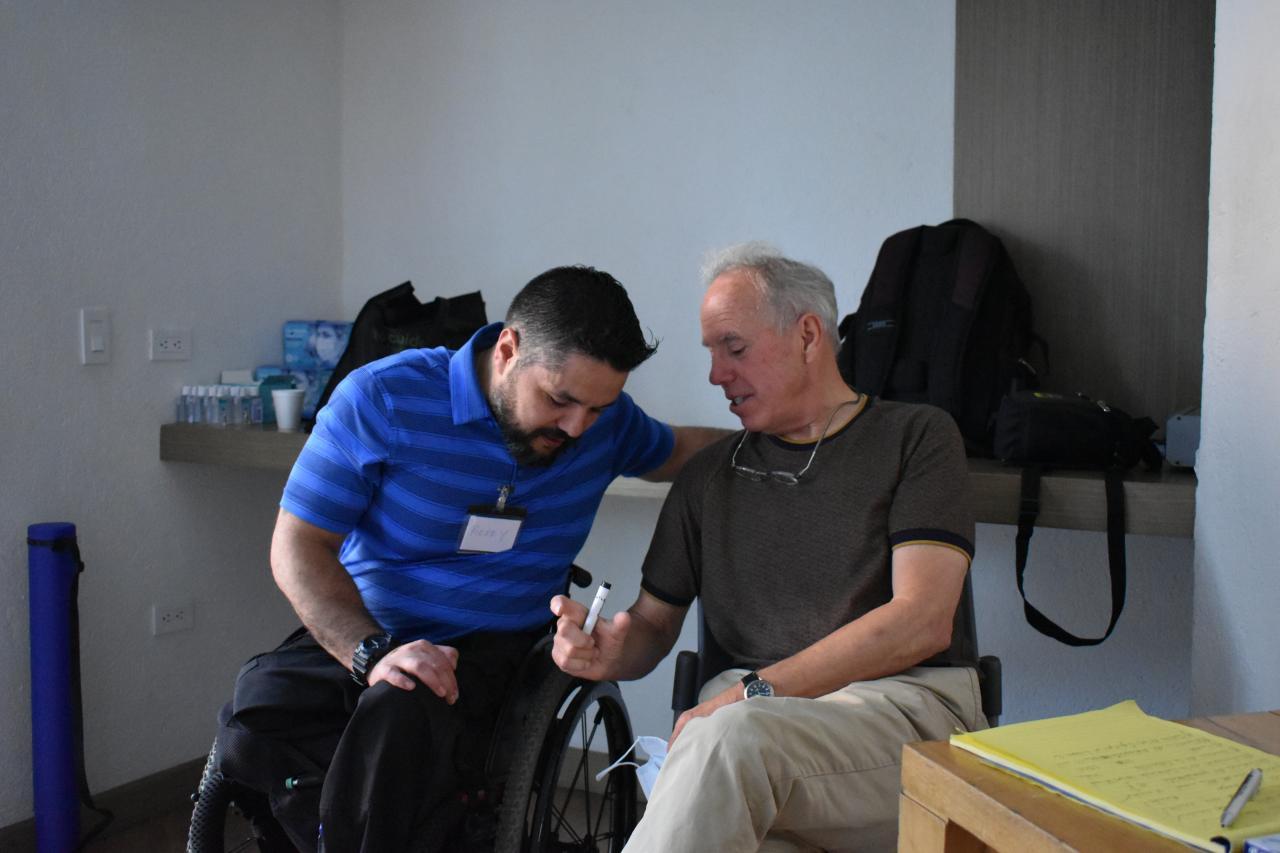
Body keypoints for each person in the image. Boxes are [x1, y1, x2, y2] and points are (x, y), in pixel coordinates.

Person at [218, 265, 725, 852]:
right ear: (508, 349)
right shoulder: (384, 397)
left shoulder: (605, 425)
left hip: (496, 655)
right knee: (258, 706)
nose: (577, 427)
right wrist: (371, 651)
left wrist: (780, 431)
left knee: (401, 713)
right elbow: (298, 545)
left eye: (597, 408)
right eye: (560, 400)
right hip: (371, 634)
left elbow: (684, 450)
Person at [551, 244, 987, 852]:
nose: (715, 374)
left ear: (808, 335)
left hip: (900, 716)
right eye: (711, 353)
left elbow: (921, 621)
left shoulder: (915, 437)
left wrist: (748, 694)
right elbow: (652, 626)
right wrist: (610, 651)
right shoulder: (708, 476)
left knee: (728, 740)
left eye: (734, 348)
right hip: (745, 745)